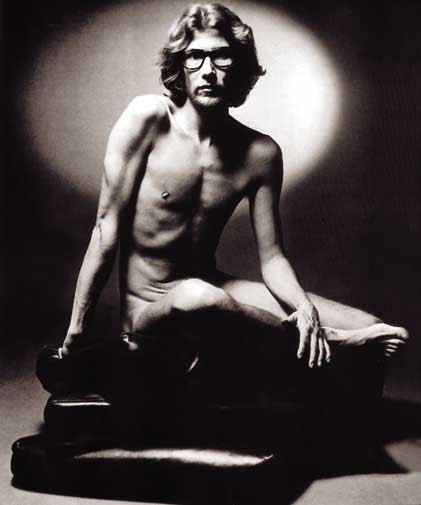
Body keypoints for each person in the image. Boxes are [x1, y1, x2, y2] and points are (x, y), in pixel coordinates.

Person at [61, 3, 408, 375]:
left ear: (239, 67)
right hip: (149, 310)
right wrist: (76, 331)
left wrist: (304, 307)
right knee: (199, 296)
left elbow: (272, 258)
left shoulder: (261, 153)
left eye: (221, 56)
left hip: (212, 288)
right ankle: (332, 340)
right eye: (195, 56)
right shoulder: (148, 119)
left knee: (372, 325)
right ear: (180, 65)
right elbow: (105, 229)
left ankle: (325, 332)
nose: (208, 70)